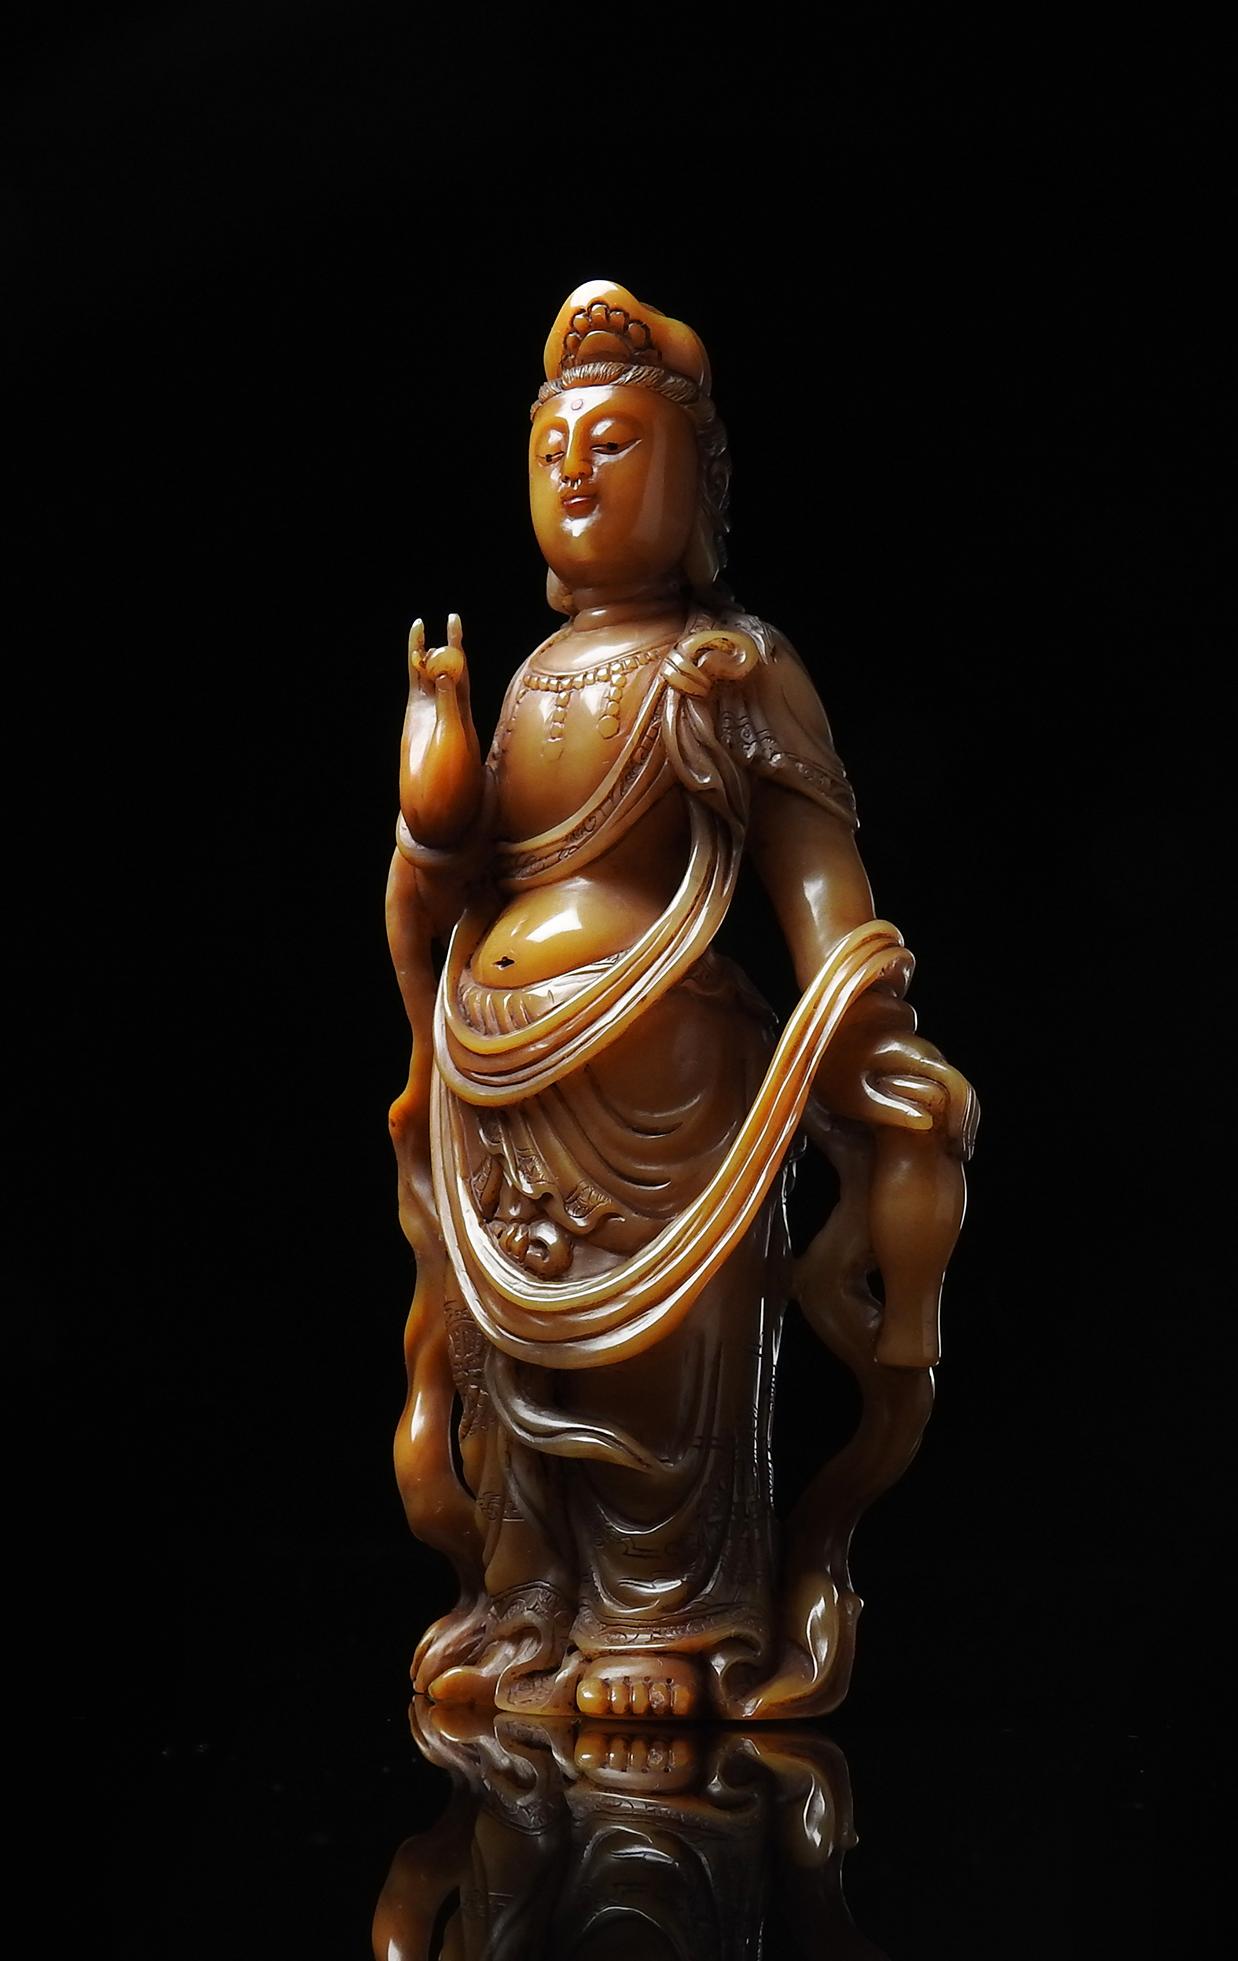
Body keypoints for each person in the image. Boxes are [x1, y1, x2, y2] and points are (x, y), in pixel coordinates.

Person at [387, 281, 977, 1721]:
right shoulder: (528, 675)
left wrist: (865, 1018)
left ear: (696, 482)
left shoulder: (732, 666)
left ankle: (669, 1614)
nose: (576, 474)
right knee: (512, 1375)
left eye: (616, 444)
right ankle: (531, 1600)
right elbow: (457, 879)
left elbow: (818, 882)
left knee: (662, 1372)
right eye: (552, 452)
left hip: (667, 1087)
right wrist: (431, 790)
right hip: (499, 1073)